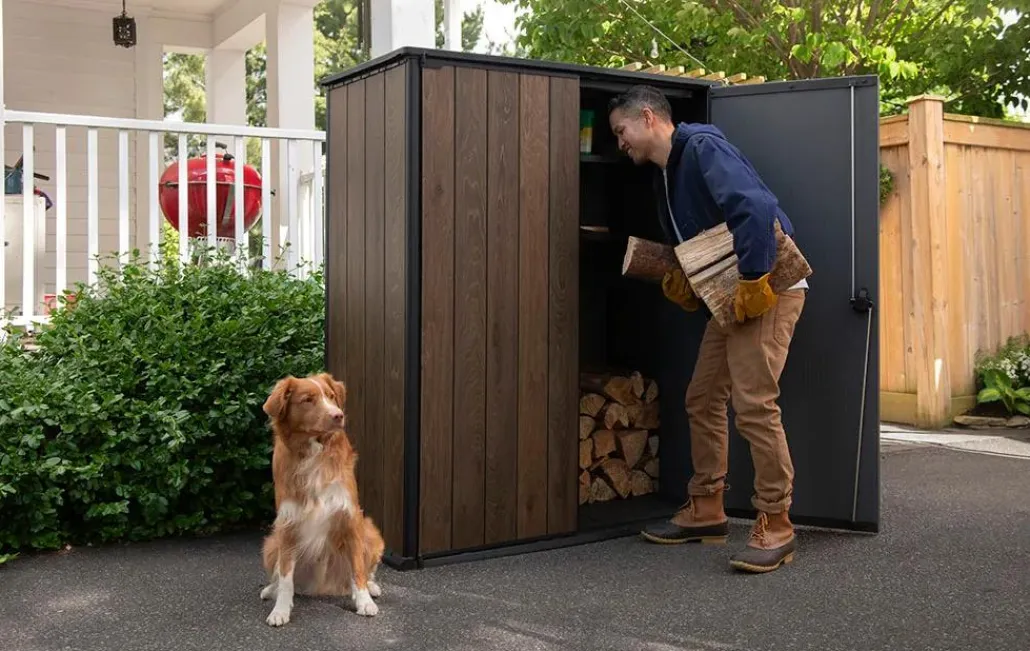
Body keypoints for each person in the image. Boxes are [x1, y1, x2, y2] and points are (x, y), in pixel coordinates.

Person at [607, 85, 808, 574]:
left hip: (771, 286)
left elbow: (755, 209)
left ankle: (777, 522)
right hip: (735, 295)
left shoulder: (701, 148)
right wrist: (683, 280)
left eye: (621, 131)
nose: (620, 143)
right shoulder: (666, 176)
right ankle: (707, 508)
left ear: (648, 117)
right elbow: (702, 245)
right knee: (703, 397)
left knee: (755, 403)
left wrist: (757, 277)